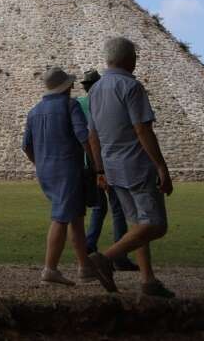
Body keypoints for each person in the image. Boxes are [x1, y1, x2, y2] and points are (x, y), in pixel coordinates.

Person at [86, 37, 176, 299]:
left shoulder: (95, 90)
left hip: (112, 168)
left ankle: (148, 280)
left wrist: (100, 170)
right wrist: (161, 166)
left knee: (137, 224)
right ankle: (107, 257)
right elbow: (142, 129)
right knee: (156, 224)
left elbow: (93, 135)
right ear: (130, 59)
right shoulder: (131, 86)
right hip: (136, 165)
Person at [23, 67, 93, 286]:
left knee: (76, 217)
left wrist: (40, 163)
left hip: (46, 170)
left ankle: (84, 266)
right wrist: (95, 164)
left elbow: (26, 146)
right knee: (61, 218)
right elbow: (84, 137)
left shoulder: (34, 112)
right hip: (68, 169)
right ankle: (50, 268)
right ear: (67, 86)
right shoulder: (70, 106)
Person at [78, 70, 138, 272]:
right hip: (107, 163)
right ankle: (118, 256)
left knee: (98, 207)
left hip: (86, 165)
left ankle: (89, 244)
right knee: (118, 209)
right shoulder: (104, 103)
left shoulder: (78, 104)